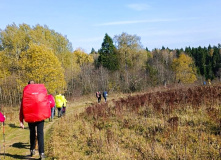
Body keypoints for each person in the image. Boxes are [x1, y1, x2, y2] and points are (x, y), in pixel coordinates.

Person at [19, 81, 50, 160]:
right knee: (40, 134)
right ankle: (42, 153)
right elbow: (46, 103)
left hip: (30, 117)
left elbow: (22, 108)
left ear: (28, 85)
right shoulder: (40, 92)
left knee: (32, 134)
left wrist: (21, 121)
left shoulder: (26, 94)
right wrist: (47, 114)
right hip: (40, 116)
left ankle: (32, 149)